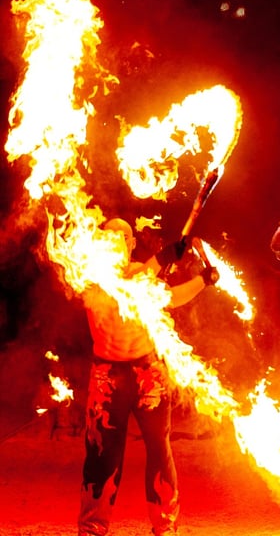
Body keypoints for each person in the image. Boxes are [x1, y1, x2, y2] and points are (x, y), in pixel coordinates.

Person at [78, 218, 219, 536]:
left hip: (148, 374)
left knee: (159, 449)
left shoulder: (143, 273)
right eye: (108, 237)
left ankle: (165, 527)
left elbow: (169, 298)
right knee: (103, 454)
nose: (114, 242)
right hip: (107, 376)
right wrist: (166, 256)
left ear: (130, 244)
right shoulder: (89, 273)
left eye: (121, 237)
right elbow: (126, 287)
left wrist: (203, 280)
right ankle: (92, 529)